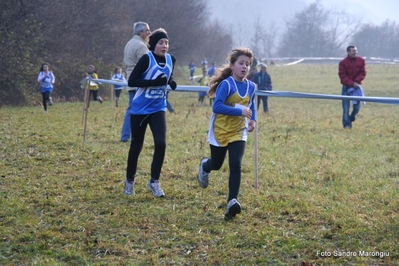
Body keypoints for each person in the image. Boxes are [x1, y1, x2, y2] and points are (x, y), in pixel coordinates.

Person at [197, 48, 257, 220]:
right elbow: (217, 106)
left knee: (235, 164)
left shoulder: (251, 86)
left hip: (239, 131)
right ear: (232, 66)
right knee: (216, 164)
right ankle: (205, 166)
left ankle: (232, 201)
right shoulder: (227, 85)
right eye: (241, 63)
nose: (244, 67)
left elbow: (251, 105)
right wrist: (240, 112)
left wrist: (252, 120)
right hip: (220, 131)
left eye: (247, 64)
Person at [124, 28, 177, 198]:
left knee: (161, 143)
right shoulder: (146, 59)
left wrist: (171, 81)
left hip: (158, 108)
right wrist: (154, 83)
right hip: (139, 109)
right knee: (136, 145)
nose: (164, 46)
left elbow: (167, 75)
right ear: (153, 45)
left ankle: (154, 181)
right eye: (161, 43)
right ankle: (129, 181)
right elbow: (132, 81)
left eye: (167, 43)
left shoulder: (171, 59)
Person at [121, 22, 151, 142]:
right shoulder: (141, 46)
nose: (149, 32)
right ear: (140, 32)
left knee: (132, 109)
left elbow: (124, 63)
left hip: (131, 80)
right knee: (136, 110)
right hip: (139, 82)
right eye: (147, 30)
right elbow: (147, 66)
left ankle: (126, 135)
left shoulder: (129, 43)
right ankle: (130, 136)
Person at [338, 45, 366, 128]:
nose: (355, 52)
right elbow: (342, 76)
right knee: (346, 109)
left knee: (357, 107)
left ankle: (351, 117)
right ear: (348, 52)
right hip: (346, 87)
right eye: (353, 51)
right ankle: (346, 126)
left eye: (356, 51)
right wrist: (351, 83)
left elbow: (363, 73)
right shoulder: (342, 63)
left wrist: (356, 82)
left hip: (356, 88)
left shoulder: (361, 60)